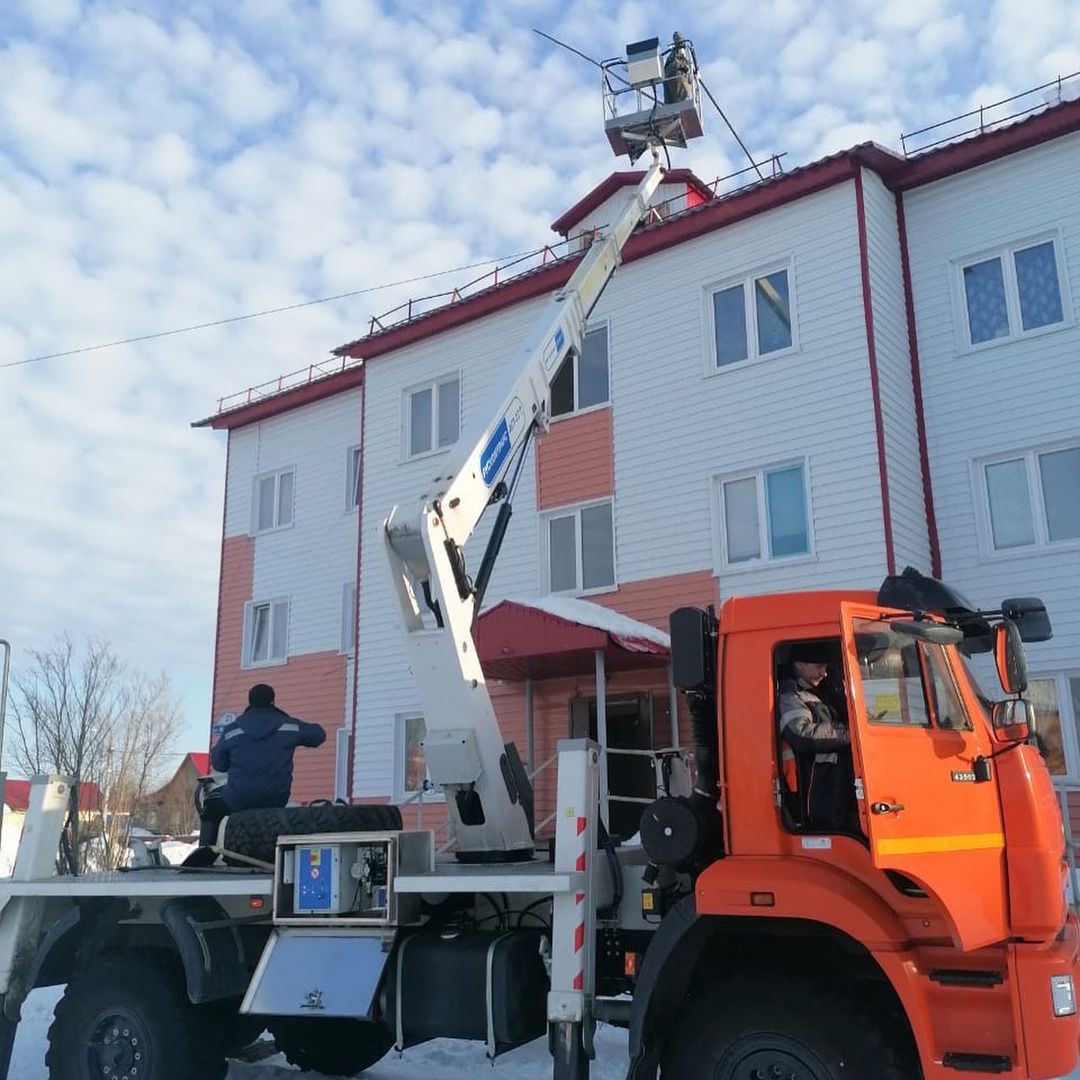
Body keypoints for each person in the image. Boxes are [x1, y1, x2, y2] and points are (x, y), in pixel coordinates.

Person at [195, 683, 327, 851]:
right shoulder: (288, 726)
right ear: (272, 701)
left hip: (239, 798)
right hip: (275, 797)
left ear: (249, 702)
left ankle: (205, 852)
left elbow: (219, 764)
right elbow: (319, 735)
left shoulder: (232, 730)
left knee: (211, 805)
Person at [777, 641, 856, 832]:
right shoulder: (790, 697)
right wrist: (849, 732)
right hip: (814, 791)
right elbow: (802, 734)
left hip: (829, 785)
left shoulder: (821, 693)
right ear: (799, 664)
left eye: (826, 667)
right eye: (819, 667)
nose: (824, 673)